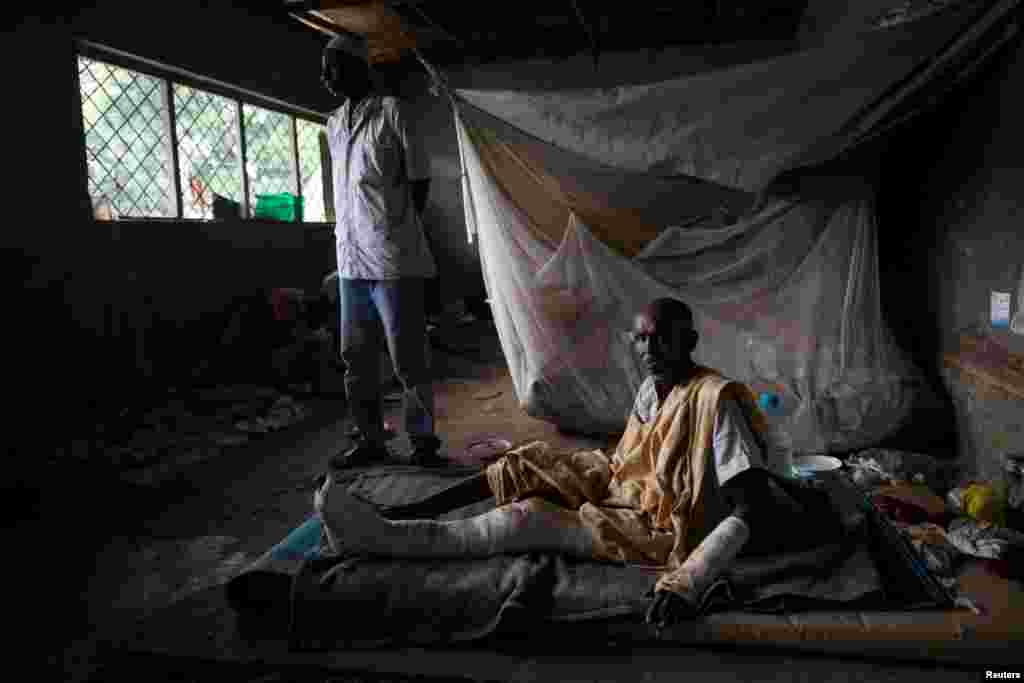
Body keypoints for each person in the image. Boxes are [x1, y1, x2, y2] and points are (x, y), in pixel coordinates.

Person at [314, 297, 842, 630]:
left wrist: (691, 579)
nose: (652, 345)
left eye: (665, 335)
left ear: (691, 341)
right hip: (621, 485)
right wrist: (591, 477)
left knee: (529, 516)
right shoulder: (648, 389)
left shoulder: (714, 399)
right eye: (643, 336)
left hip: (663, 526)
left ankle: (389, 540)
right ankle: (400, 520)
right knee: (528, 463)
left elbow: (748, 505)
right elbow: (630, 461)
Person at [321, 32, 442, 468]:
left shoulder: (395, 113)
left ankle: (423, 441)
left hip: (393, 258)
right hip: (351, 259)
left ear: (359, 67)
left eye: (332, 65)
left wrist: (396, 230)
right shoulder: (333, 124)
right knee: (355, 356)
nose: (324, 75)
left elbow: (420, 182)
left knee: (407, 356)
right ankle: (371, 439)